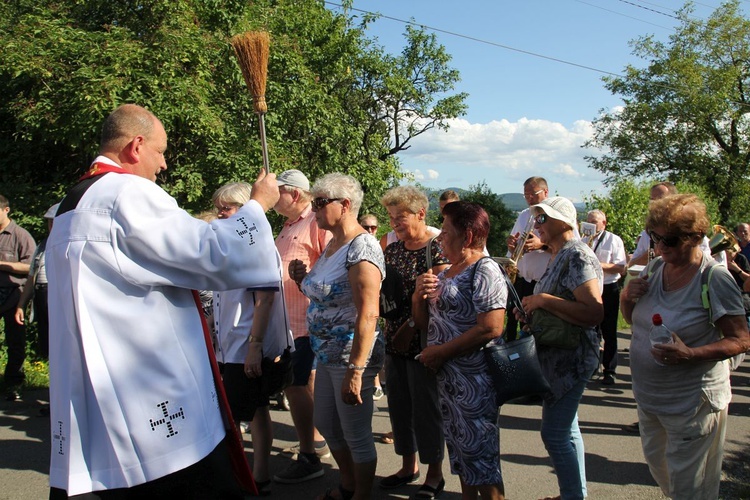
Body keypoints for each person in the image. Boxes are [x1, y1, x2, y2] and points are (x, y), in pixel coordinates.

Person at [46, 104, 282, 498]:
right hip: (151, 396)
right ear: (136, 146)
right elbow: (212, 256)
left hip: (96, 386)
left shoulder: (74, 200)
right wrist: (258, 207)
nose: (165, 164)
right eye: (161, 150)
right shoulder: (127, 193)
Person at [620, 194, 750, 500]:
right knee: (662, 473)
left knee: (692, 490)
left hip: (693, 404)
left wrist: (690, 354)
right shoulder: (653, 269)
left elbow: (741, 340)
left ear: (697, 237)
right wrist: (627, 297)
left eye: (672, 240)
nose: (661, 247)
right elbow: (635, 323)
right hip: (651, 400)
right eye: (656, 238)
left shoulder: (714, 277)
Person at [290, 173, 384, 500]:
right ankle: (347, 484)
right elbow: (329, 296)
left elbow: (368, 312)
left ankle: (360, 495)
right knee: (327, 425)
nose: (312, 209)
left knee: (355, 433)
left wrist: (356, 372)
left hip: (350, 357)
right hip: (327, 354)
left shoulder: (362, 247)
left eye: (319, 203)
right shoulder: (333, 245)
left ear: (344, 206)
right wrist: (303, 279)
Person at [413, 201, 507, 500]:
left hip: (475, 382)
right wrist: (418, 296)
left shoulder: (485, 269)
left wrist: (441, 353)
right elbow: (424, 323)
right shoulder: (448, 272)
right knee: (462, 454)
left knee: (482, 457)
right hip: (451, 382)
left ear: (467, 236)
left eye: (445, 231)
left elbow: (491, 327)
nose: (439, 238)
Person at [211, 182, 291, 496]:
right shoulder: (233, 245)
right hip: (230, 343)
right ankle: (256, 476)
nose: (220, 213)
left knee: (239, 413)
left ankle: (250, 476)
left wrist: (255, 346)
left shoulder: (255, 243)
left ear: (246, 212)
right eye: (219, 207)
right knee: (255, 410)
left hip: (245, 345)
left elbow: (265, 300)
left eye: (226, 208)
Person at [521, 196, 603, 500]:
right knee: (568, 430)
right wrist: (532, 310)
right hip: (558, 356)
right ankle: (573, 493)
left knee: (554, 433)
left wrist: (542, 301)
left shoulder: (577, 255)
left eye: (543, 219)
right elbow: (562, 305)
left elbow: (593, 312)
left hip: (572, 358)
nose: (536, 226)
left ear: (563, 222)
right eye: (536, 219)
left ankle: (572, 496)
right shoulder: (559, 254)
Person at [378, 186, 448, 496]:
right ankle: (409, 466)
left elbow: (443, 302)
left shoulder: (439, 249)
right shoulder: (392, 250)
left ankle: (434, 474)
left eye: (401, 217)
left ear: (421, 214)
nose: (394, 224)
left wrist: (411, 320)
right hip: (395, 340)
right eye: (391, 218)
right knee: (399, 407)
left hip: (425, 342)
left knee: (426, 409)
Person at [272, 169, 333, 483]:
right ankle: (316, 441)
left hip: (308, 322)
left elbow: (334, 267)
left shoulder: (316, 222)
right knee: (301, 386)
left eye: (278, 191)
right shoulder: (288, 225)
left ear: (294, 193)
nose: (272, 197)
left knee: (298, 386)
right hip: (288, 323)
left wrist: (305, 279)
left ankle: (310, 457)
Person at [505, 177, 551, 342]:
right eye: (526, 195)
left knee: (540, 328)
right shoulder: (524, 215)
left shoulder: (556, 216)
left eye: (533, 194)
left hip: (545, 283)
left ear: (546, 192)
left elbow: (568, 248)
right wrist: (511, 245)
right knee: (518, 323)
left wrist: (541, 245)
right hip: (523, 281)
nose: (529, 198)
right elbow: (514, 244)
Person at [0, 194, 36, 402]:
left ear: (7, 210)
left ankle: (13, 385)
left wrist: (5, 265)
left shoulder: (20, 235)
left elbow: (32, 267)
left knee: (15, 343)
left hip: (14, 295)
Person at [584, 210, 627, 385]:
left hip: (609, 287)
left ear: (604, 223)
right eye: (588, 221)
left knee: (609, 330)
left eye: (594, 221)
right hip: (591, 286)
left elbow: (620, 267)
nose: (591, 225)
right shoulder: (583, 240)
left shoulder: (613, 240)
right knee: (591, 330)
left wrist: (597, 264)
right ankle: (593, 366)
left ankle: (609, 370)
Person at [15, 203, 58, 361]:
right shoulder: (42, 246)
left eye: (55, 221)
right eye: (49, 221)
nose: (51, 225)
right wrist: (21, 305)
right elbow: (31, 277)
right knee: (46, 339)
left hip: (59, 295)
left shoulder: (69, 244)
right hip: (41, 294)